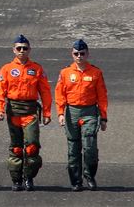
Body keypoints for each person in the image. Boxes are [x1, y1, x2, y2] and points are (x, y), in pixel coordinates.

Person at [0, 34, 52, 192]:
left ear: (29, 50)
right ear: (14, 50)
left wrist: (47, 113)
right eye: (18, 48)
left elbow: (45, 92)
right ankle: (16, 179)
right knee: (16, 148)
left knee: (32, 147)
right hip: (13, 111)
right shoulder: (6, 69)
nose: (21, 51)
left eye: (24, 48)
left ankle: (29, 177)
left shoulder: (37, 69)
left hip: (30, 112)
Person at [55, 39, 108, 191]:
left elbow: (102, 96)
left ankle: (90, 176)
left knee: (90, 147)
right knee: (73, 148)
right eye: (76, 53)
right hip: (72, 112)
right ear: (72, 54)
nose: (79, 56)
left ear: (87, 54)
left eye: (82, 53)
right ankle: (76, 180)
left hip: (90, 112)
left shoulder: (96, 72)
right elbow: (60, 94)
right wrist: (60, 113)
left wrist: (103, 117)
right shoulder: (65, 72)